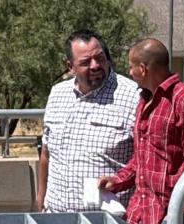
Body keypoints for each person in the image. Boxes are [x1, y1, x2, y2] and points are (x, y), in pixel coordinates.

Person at [98, 38, 184, 224]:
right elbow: (144, 156)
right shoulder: (145, 100)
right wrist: (118, 180)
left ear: (142, 69)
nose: (130, 73)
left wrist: (177, 209)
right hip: (143, 214)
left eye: (131, 67)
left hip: (172, 218)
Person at [36, 29, 139, 214]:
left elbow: (145, 159)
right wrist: (40, 199)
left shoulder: (133, 96)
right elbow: (46, 153)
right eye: (85, 62)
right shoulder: (57, 94)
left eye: (99, 58)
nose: (95, 66)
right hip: (57, 218)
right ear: (70, 66)